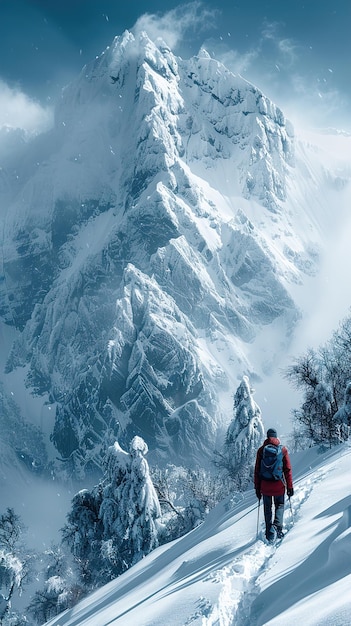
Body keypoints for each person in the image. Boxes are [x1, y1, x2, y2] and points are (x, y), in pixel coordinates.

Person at [254, 427, 294, 542]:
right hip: (279, 485)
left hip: (265, 486)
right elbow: (288, 470)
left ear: (267, 437)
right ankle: (278, 527)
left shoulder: (261, 451)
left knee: (267, 509)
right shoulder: (283, 450)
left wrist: (257, 488)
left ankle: (269, 533)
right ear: (276, 437)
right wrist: (290, 486)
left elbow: (256, 471)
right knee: (279, 505)